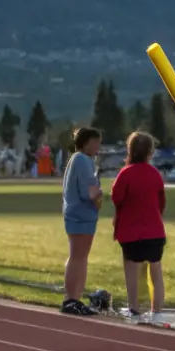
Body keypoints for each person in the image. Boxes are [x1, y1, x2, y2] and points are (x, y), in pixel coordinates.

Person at [110, 131, 167, 323]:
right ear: (150, 152)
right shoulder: (155, 174)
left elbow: (117, 198)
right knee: (156, 269)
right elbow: (161, 202)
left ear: (130, 150)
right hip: (154, 231)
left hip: (131, 231)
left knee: (131, 270)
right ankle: (157, 311)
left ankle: (134, 308)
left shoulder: (125, 173)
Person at [61, 126, 104, 315]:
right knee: (78, 258)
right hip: (81, 216)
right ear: (87, 143)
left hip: (76, 214)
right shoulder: (83, 160)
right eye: (96, 144)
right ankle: (71, 299)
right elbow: (92, 192)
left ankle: (75, 298)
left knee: (79, 258)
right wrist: (100, 197)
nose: (98, 149)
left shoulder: (75, 159)